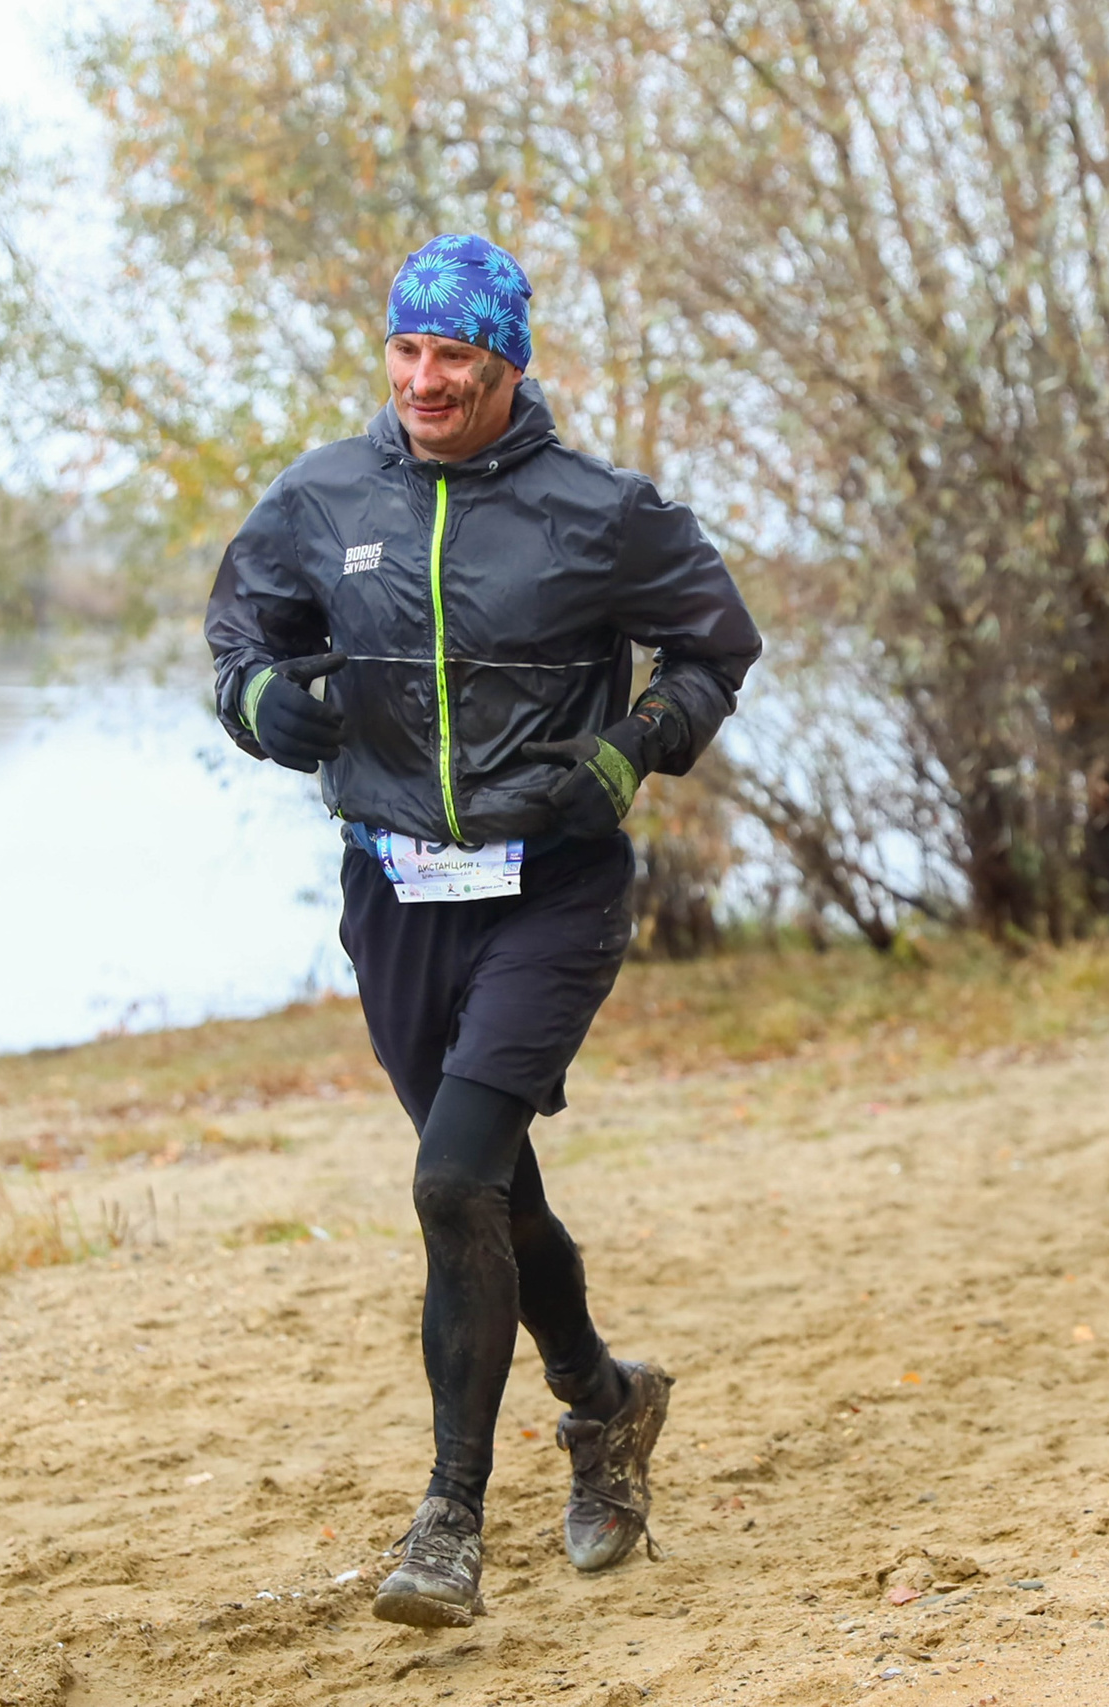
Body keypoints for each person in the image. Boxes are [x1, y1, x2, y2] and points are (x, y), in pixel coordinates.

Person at [205, 233, 762, 1629]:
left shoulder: (600, 512)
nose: (424, 378)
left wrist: (630, 757)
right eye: (406, 350)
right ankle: (607, 1404)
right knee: (493, 1188)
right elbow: (239, 643)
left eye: (455, 355)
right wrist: (268, 710)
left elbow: (715, 646)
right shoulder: (327, 496)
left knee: (452, 1182)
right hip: (394, 896)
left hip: (549, 890)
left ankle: (449, 1519)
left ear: (507, 363)